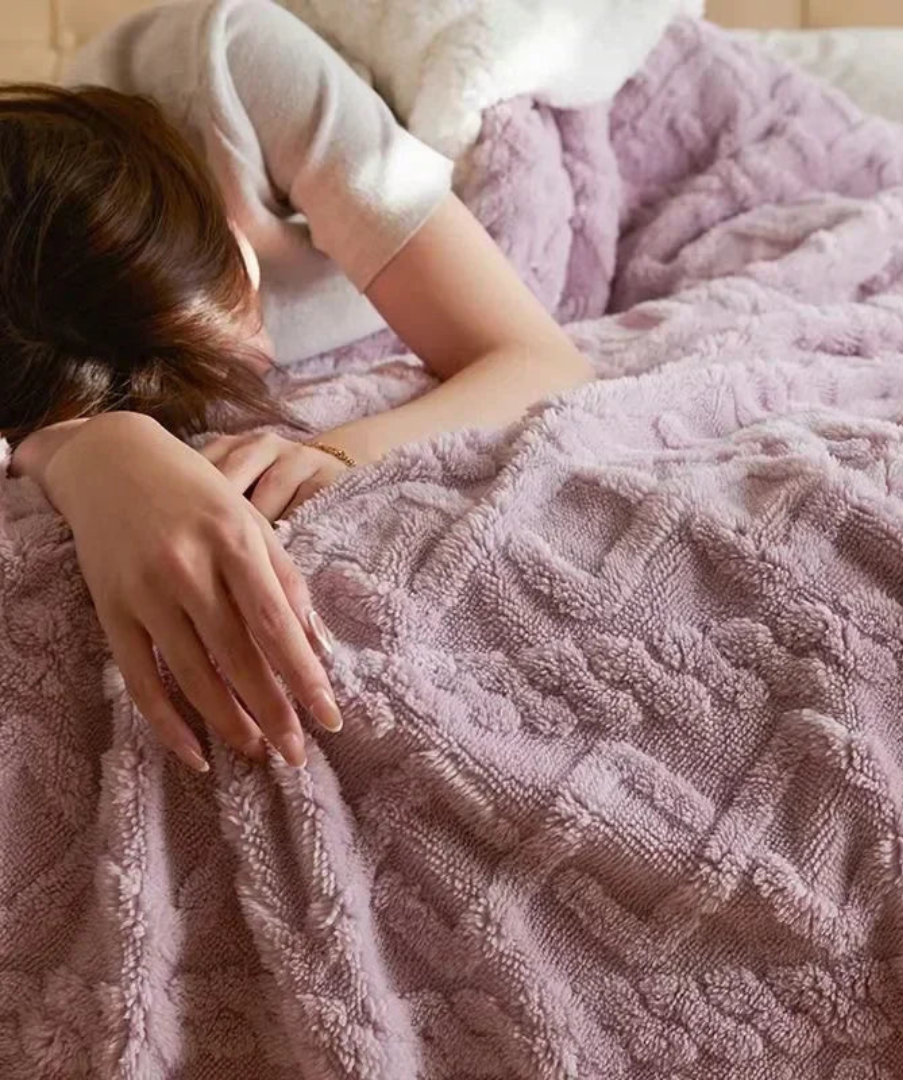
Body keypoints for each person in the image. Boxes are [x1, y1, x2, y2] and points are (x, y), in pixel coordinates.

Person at [0, 0, 592, 775]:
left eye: (235, 296)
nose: (269, 351)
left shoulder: (232, 69)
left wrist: (339, 452)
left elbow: (542, 358)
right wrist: (81, 451)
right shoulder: (36, 341)